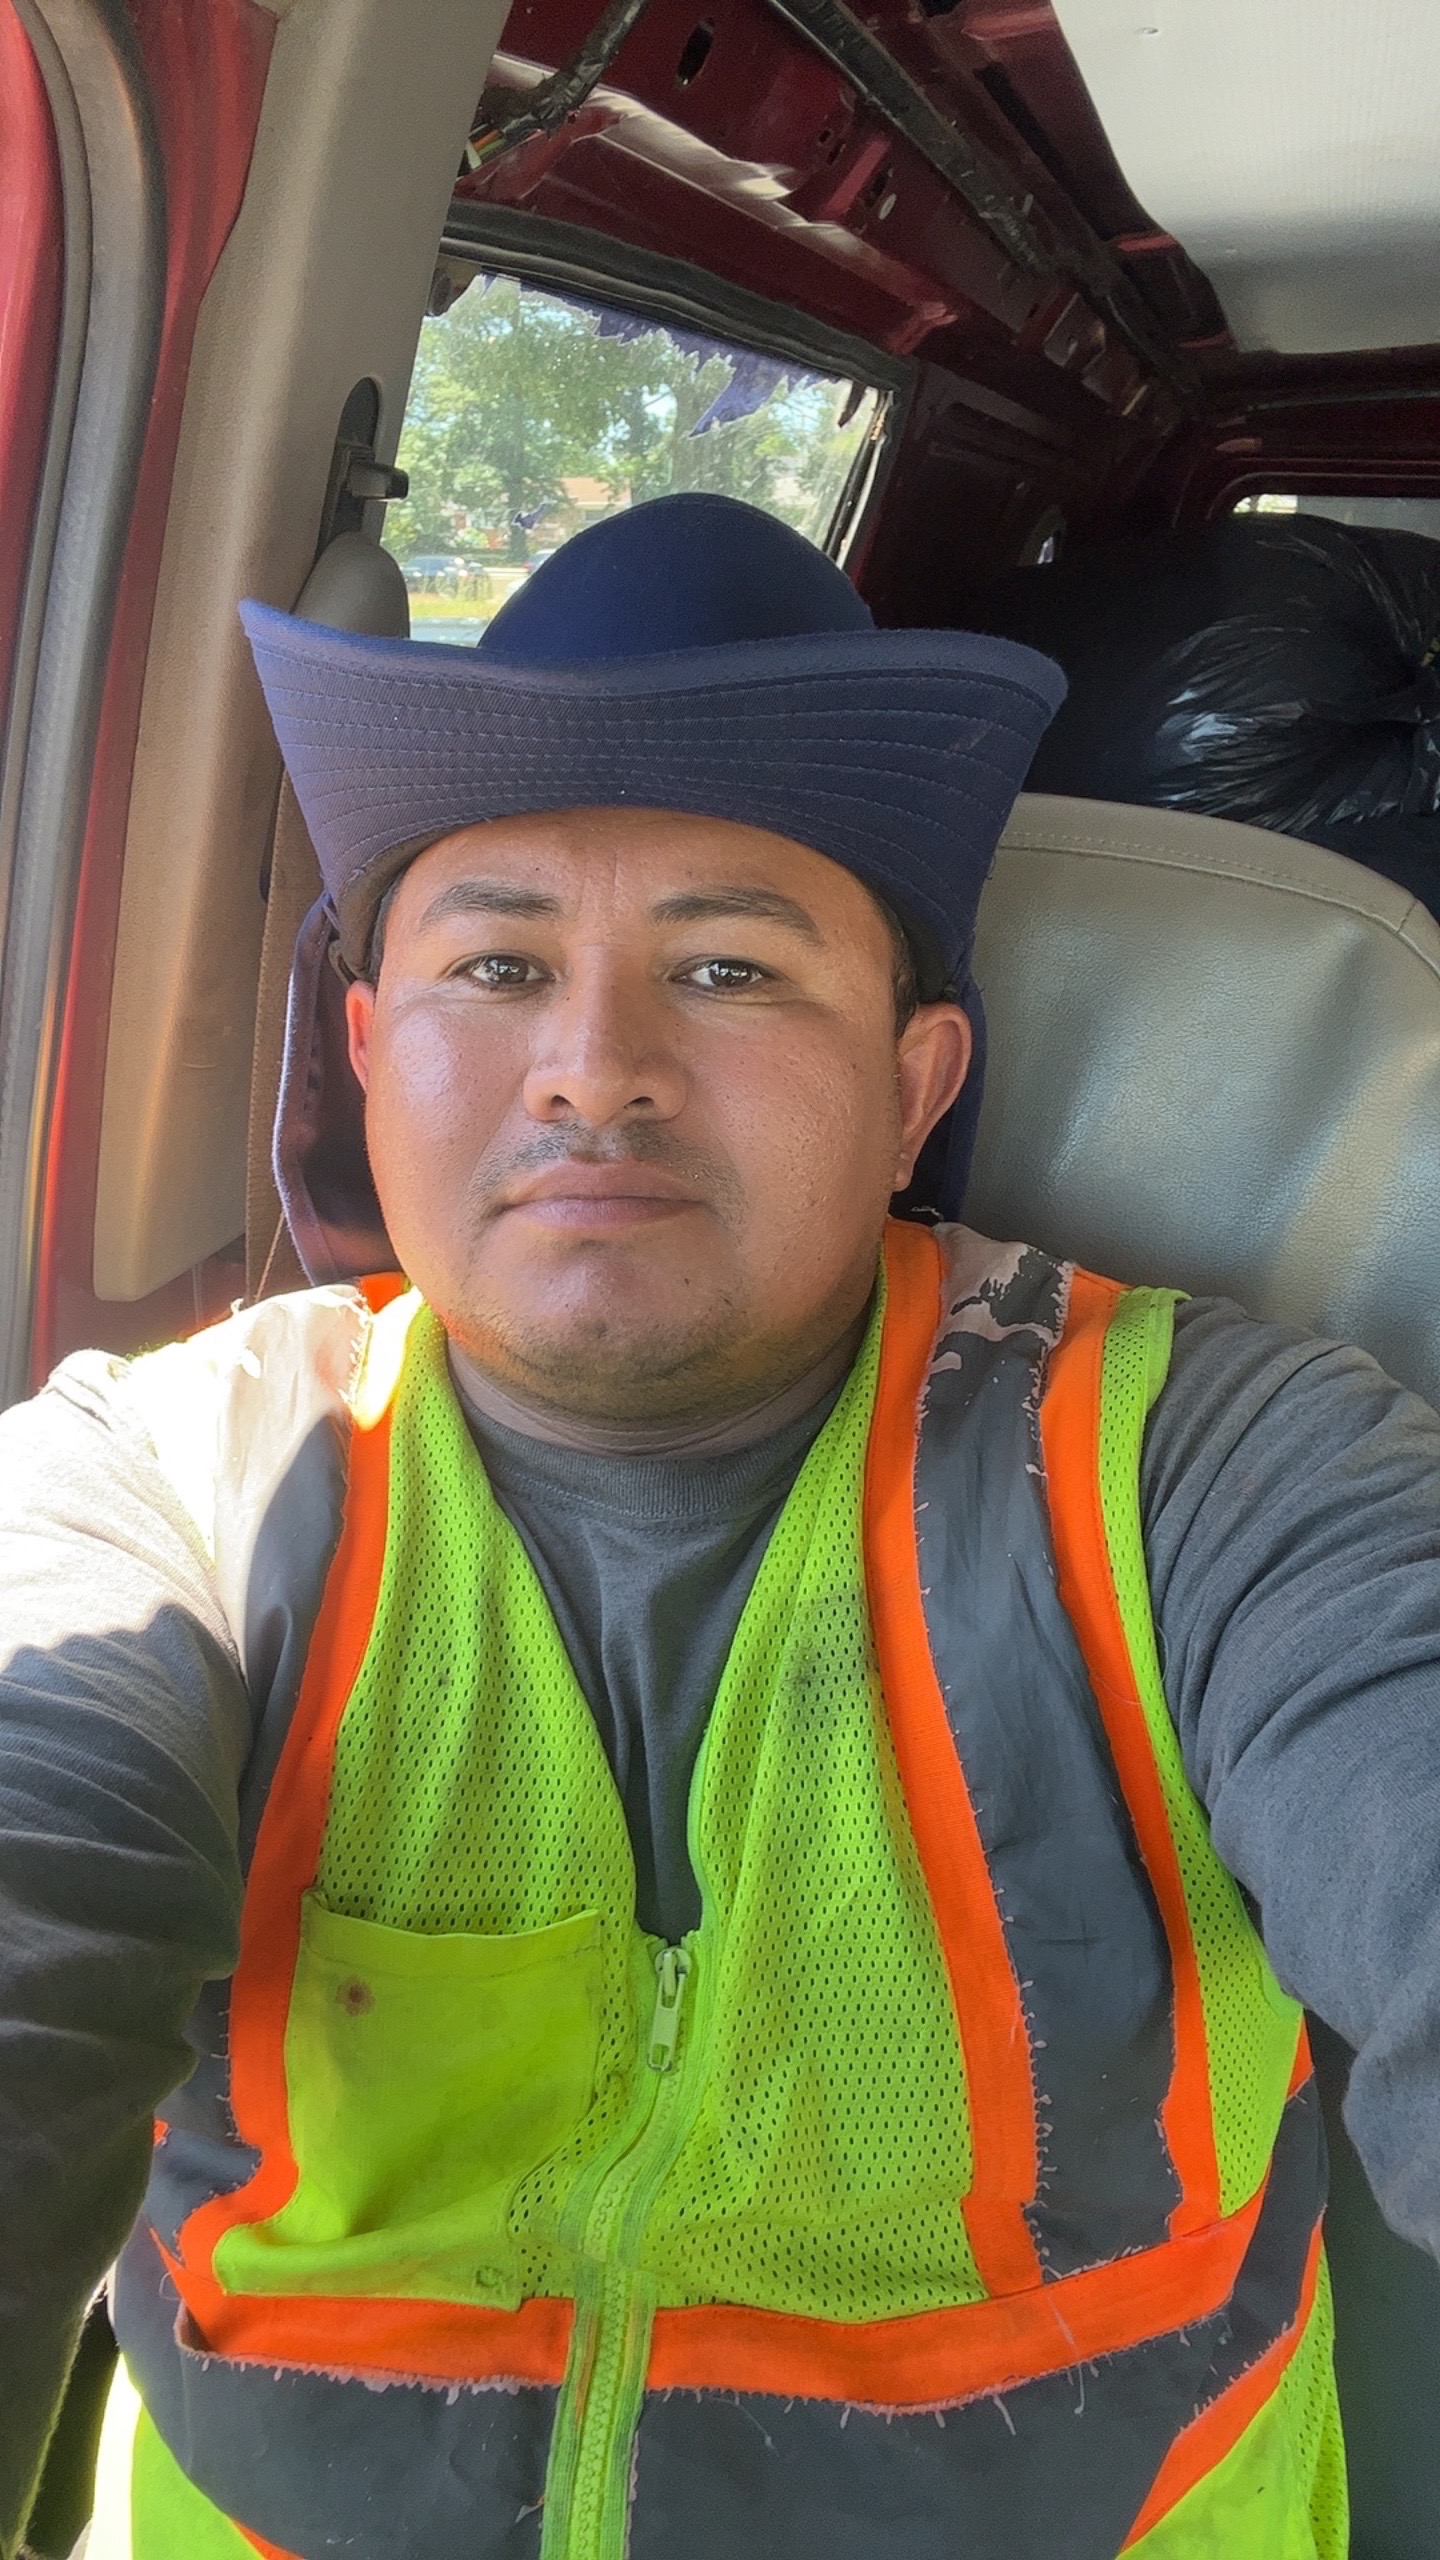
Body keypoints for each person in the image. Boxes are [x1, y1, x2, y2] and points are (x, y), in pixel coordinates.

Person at [3, 493, 1440, 2560]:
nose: (596, 1071)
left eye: (728, 966)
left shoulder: (1205, 1466)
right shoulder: (167, 1490)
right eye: (499, 964)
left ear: (915, 1082)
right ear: (368, 1052)